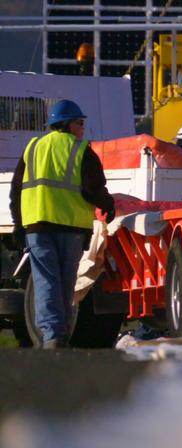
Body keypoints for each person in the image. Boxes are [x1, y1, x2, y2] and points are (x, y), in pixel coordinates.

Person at [8, 99, 115, 348]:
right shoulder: (81, 150)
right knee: (66, 283)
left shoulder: (33, 148)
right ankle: (58, 334)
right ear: (67, 123)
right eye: (80, 123)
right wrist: (108, 204)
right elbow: (93, 189)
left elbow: (16, 191)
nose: (82, 128)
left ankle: (53, 335)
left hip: (37, 227)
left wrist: (18, 224)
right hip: (71, 230)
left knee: (46, 281)